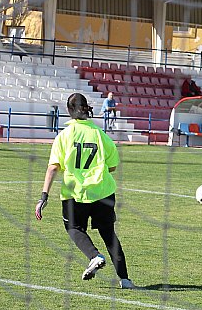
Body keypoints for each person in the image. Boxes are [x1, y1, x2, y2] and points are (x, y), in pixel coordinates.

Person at [35, 93, 135, 288]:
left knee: (74, 227)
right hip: (102, 191)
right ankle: (125, 279)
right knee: (109, 234)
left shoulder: (64, 136)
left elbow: (53, 167)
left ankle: (94, 256)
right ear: (86, 108)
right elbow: (113, 166)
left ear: (69, 111)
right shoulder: (100, 134)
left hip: (75, 193)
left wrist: (43, 196)